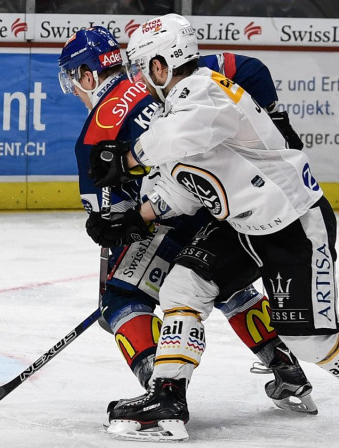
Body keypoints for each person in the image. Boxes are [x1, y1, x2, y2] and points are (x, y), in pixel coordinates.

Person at [86, 14, 338, 441]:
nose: (139, 79)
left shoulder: (206, 91)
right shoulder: (177, 107)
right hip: (240, 226)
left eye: (142, 67)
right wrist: (134, 218)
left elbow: (183, 136)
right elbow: (183, 186)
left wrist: (127, 157)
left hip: (293, 221)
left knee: (311, 343)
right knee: (182, 287)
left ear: (161, 65)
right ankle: (167, 394)